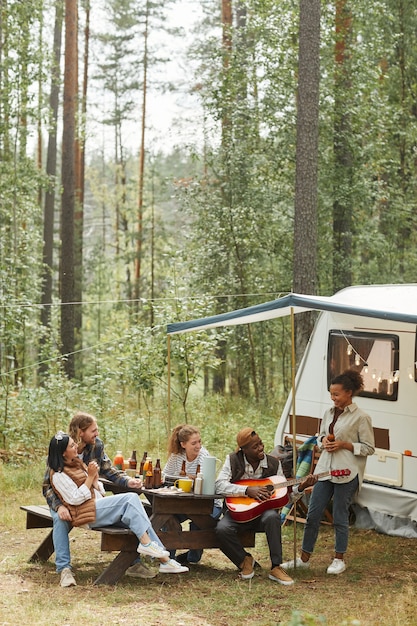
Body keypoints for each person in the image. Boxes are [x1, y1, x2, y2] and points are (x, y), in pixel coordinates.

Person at [47, 432, 189, 585]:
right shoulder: (58, 474)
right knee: (130, 499)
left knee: (139, 517)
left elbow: (99, 491)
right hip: (84, 514)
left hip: (94, 508)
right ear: (63, 453)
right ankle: (151, 549)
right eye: (72, 446)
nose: (76, 447)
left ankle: (164, 560)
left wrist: (94, 480)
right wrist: (89, 478)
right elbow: (74, 499)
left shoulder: (77, 464)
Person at [281, 369, 375, 575]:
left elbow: (369, 447)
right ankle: (304, 559)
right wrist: (322, 441)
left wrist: (345, 445)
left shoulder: (361, 418)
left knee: (340, 516)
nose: (333, 398)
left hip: (347, 473)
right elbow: (320, 437)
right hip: (325, 471)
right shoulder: (328, 413)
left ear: (349, 393)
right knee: (313, 514)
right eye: (331, 394)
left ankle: (339, 559)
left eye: (336, 394)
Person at [42, 412, 152, 586]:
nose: (97, 434)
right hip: (63, 500)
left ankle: (133, 562)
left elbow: (108, 470)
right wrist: (58, 507)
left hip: (89, 498)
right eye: (93, 430)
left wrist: (128, 481)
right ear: (80, 432)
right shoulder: (61, 445)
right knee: (61, 519)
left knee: (125, 511)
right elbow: (47, 485)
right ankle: (64, 570)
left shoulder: (96, 446)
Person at [214, 427, 294, 585]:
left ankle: (276, 567)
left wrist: (302, 487)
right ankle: (244, 560)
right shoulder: (233, 460)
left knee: (273, 517)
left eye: (261, 444)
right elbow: (219, 485)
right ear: (244, 450)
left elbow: (284, 492)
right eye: (255, 446)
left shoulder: (273, 463)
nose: (261, 448)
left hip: (263, 513)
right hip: (238, 512)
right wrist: (246, 490)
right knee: (221, 529)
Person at [162, 424, 222, 564]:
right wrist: (184, 479)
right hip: (186, 504)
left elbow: (204, 481)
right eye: (194, 443)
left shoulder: (204, 456)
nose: (198, 446)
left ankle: (192, 559)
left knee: (198, 520)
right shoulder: (177, 456)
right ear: (183, 444)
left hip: (209, 505)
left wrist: (187, 478)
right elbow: (165, 476)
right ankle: (168, 559)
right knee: (169, 517)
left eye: (199, 441)